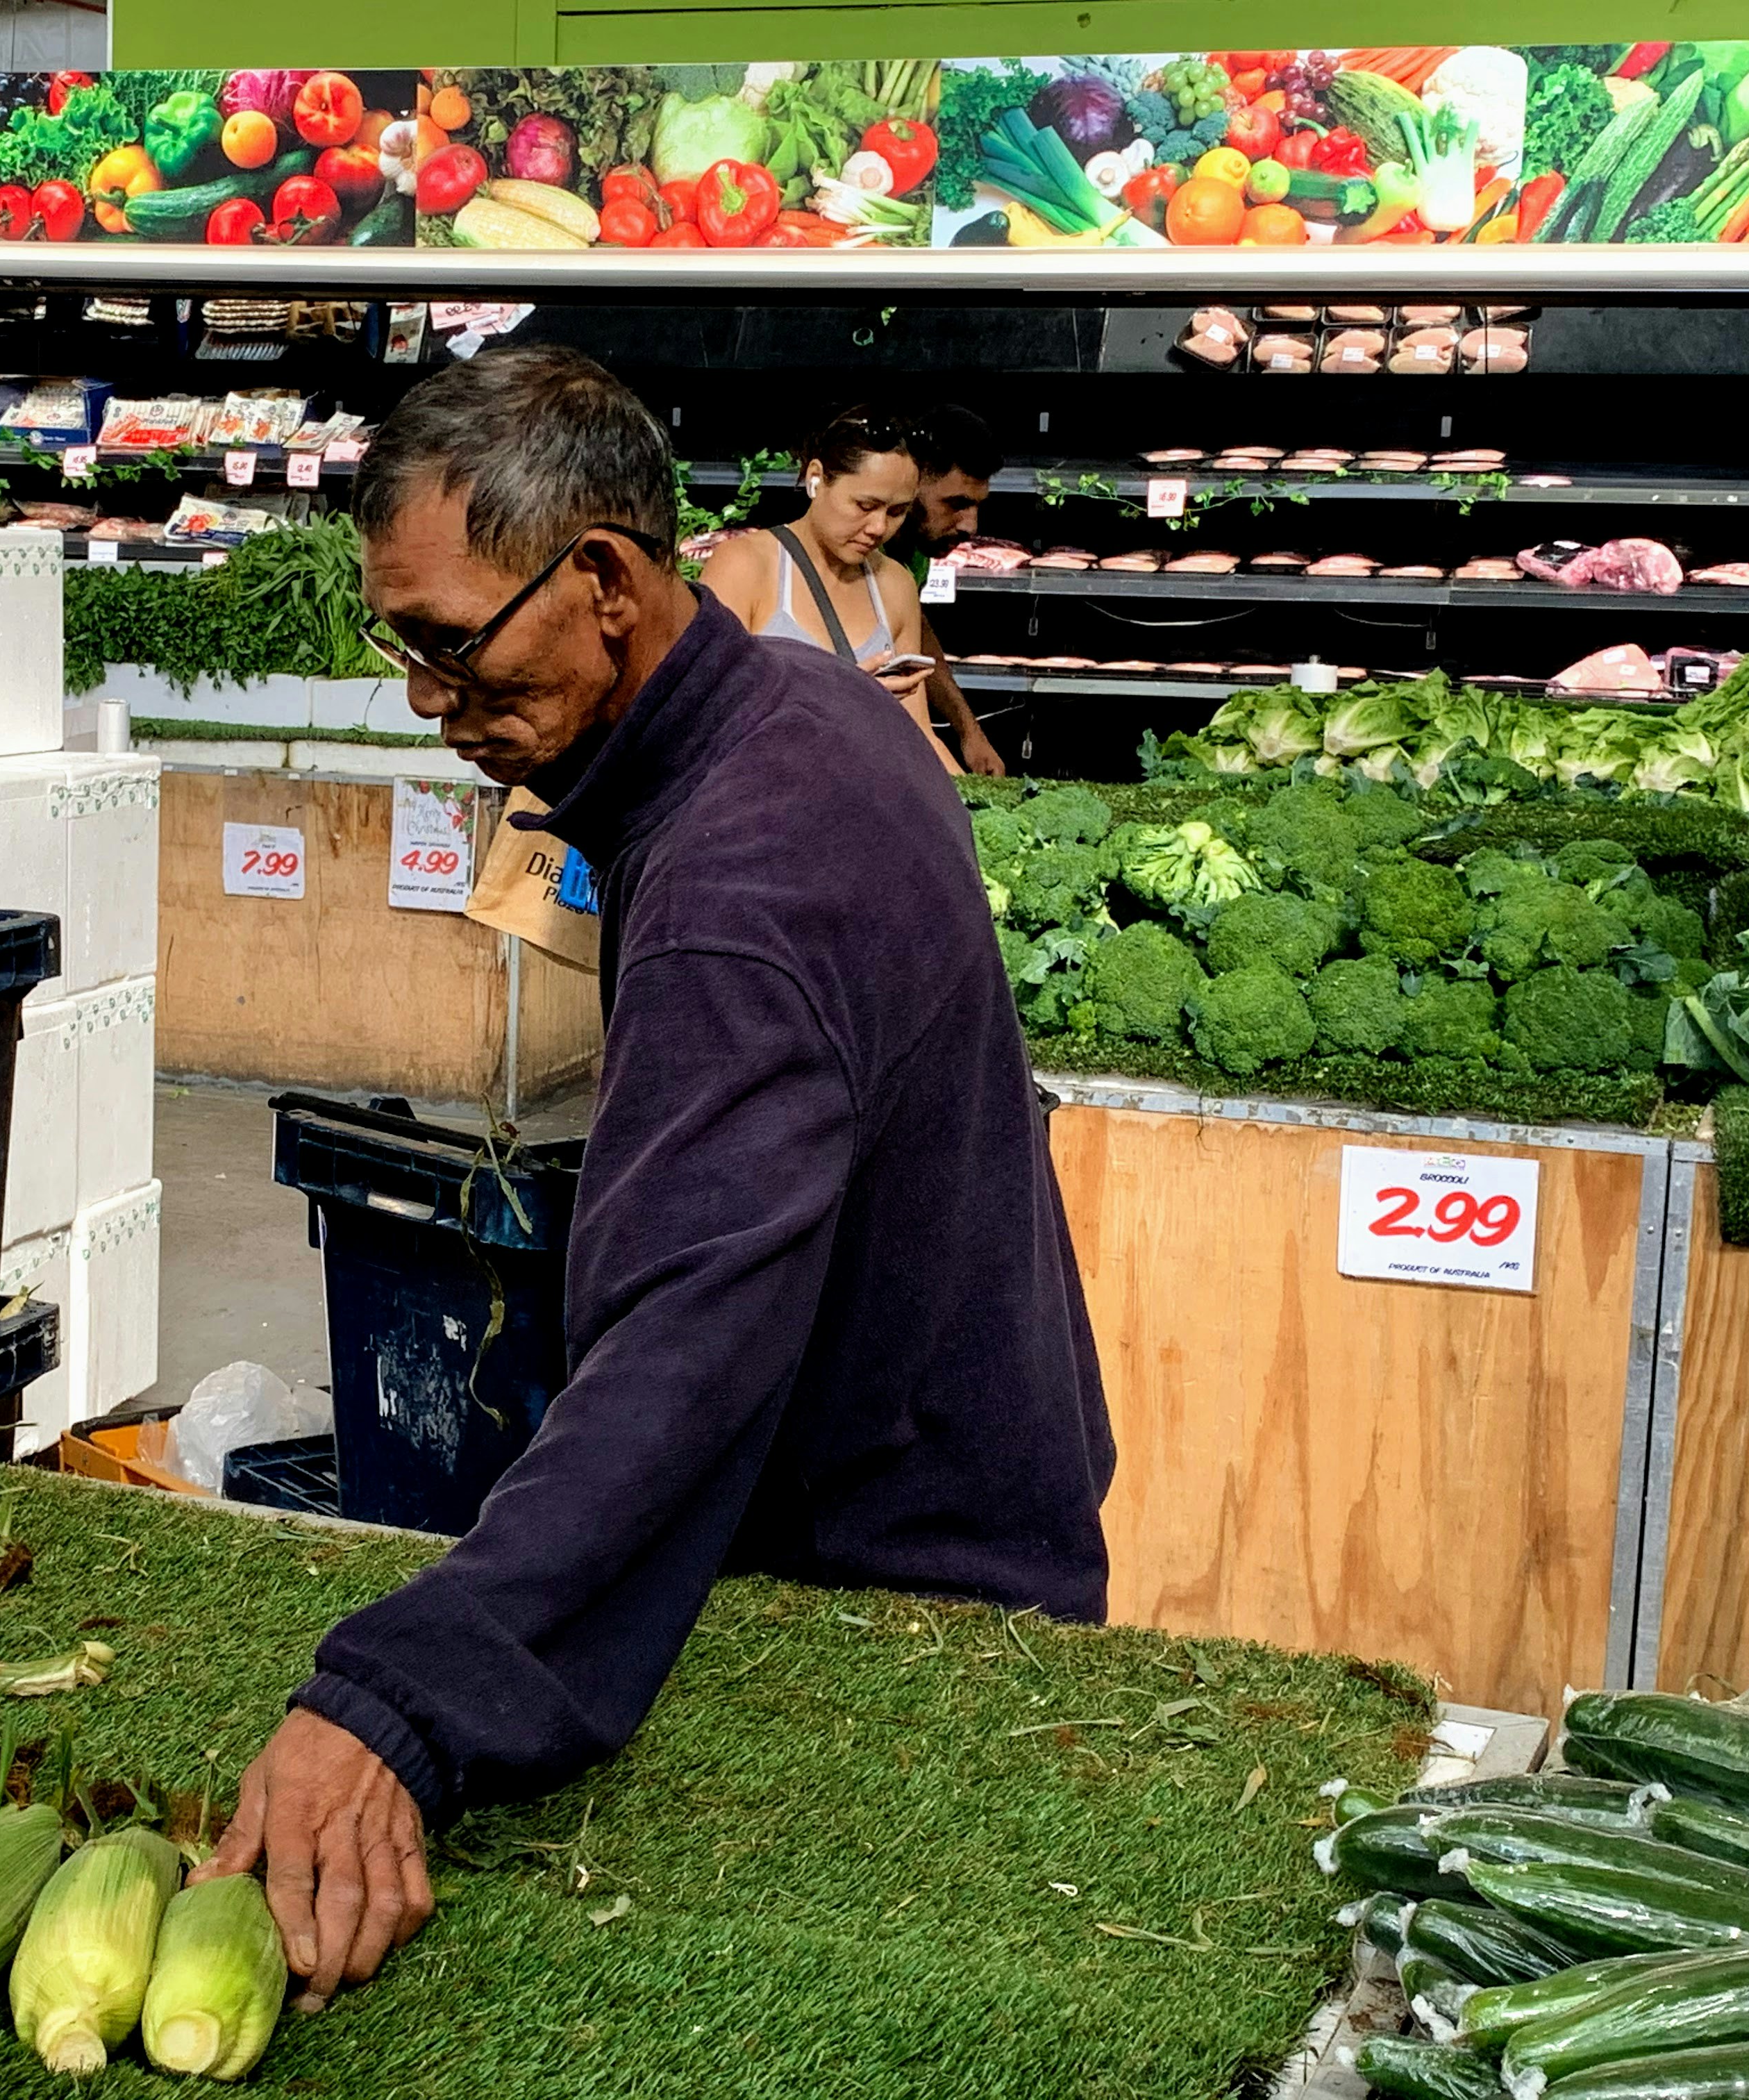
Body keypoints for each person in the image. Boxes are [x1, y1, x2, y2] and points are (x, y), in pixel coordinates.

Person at [192, 344, 1116, 2010]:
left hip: (903, 1598)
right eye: (395, 645)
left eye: (450, 643)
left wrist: (398, 1697)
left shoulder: (743, 877)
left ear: (605, 581)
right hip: (946, 1475)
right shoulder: (790, 706)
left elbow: (689, 1339)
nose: (426, 696)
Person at [696, 408, 960, 777]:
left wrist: (979, 802)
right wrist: (840, 695)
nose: (879, 527)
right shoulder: (744, 566)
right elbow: (707, 716)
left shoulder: (895, 584)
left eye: (898, 511)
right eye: (865, 506)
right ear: (817, 479)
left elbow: (917, 734)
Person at [902, 403, 1011, 778]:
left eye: (978, 506)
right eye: (957, 504)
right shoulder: (857, 550)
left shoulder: (913, 547)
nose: (970, 525)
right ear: (910, 480)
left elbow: (911, 629)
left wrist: (969, 733)